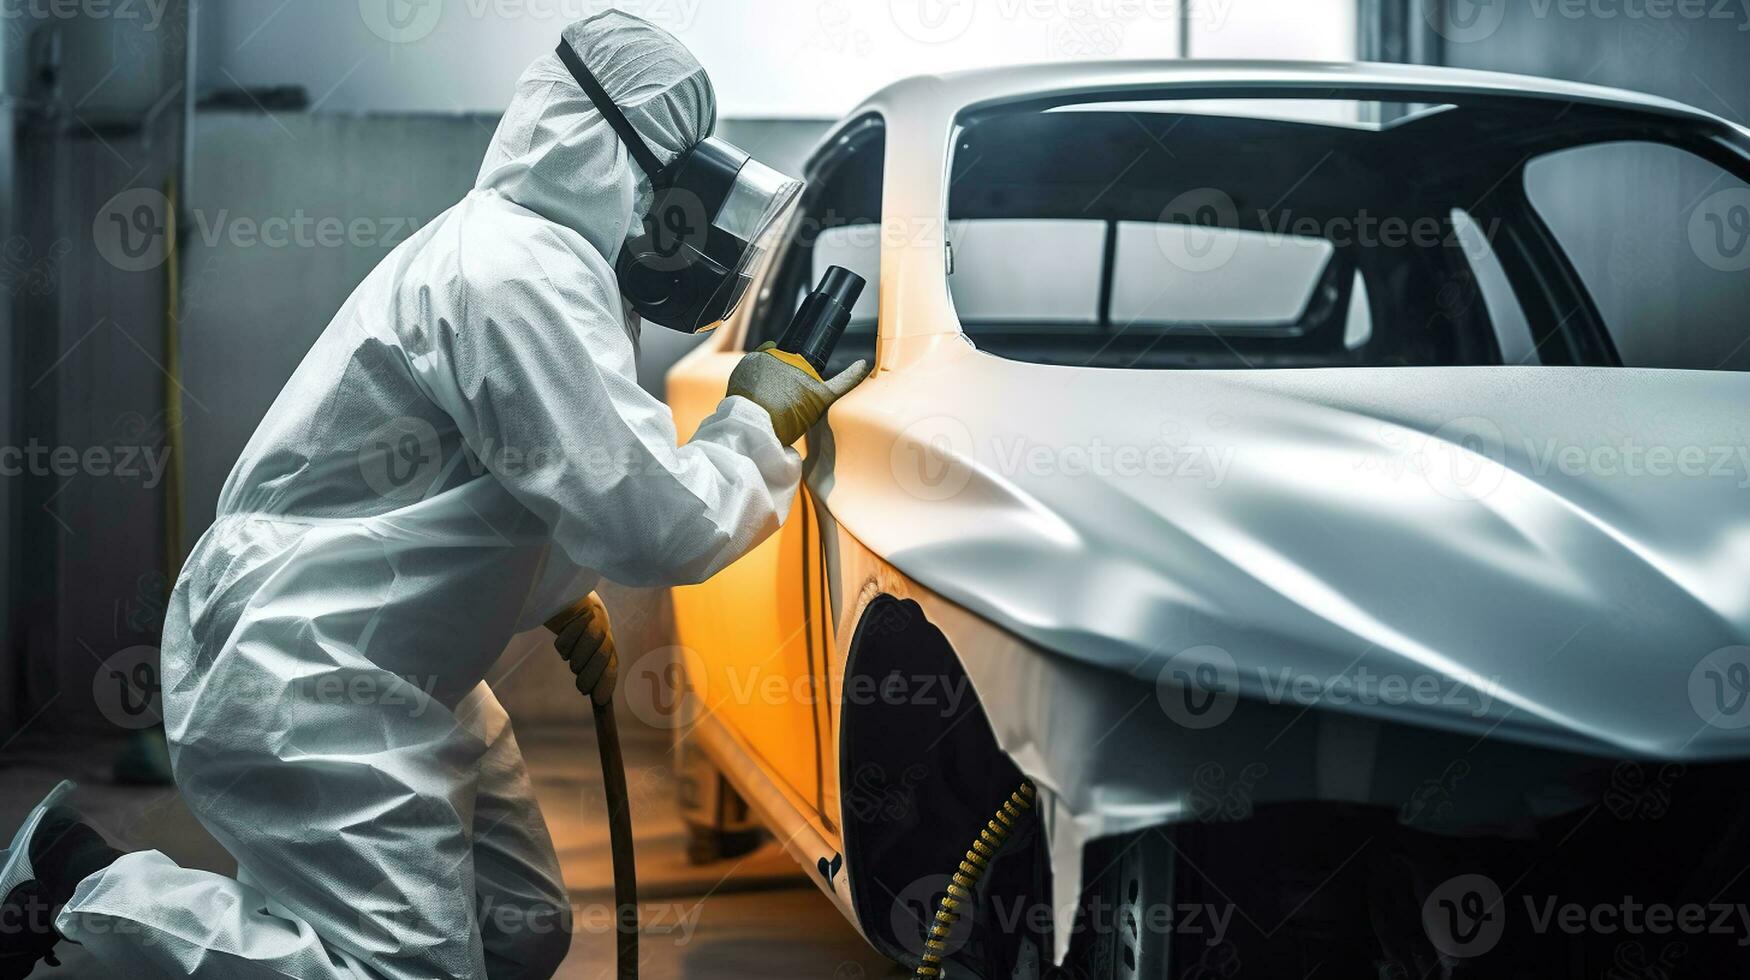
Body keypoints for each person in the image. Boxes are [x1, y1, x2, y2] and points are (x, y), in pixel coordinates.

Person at [0, 11, 866, 980]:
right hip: (311, 658)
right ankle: (74, 882)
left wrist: (548, 587)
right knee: (409, 971)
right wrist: (751, 421)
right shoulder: (515, 269)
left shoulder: (545, 263)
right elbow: (654, 521)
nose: (686, 209)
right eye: (674, 171)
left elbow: (486, 477)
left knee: (519, 928)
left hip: (398, 659)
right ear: (608, 150)